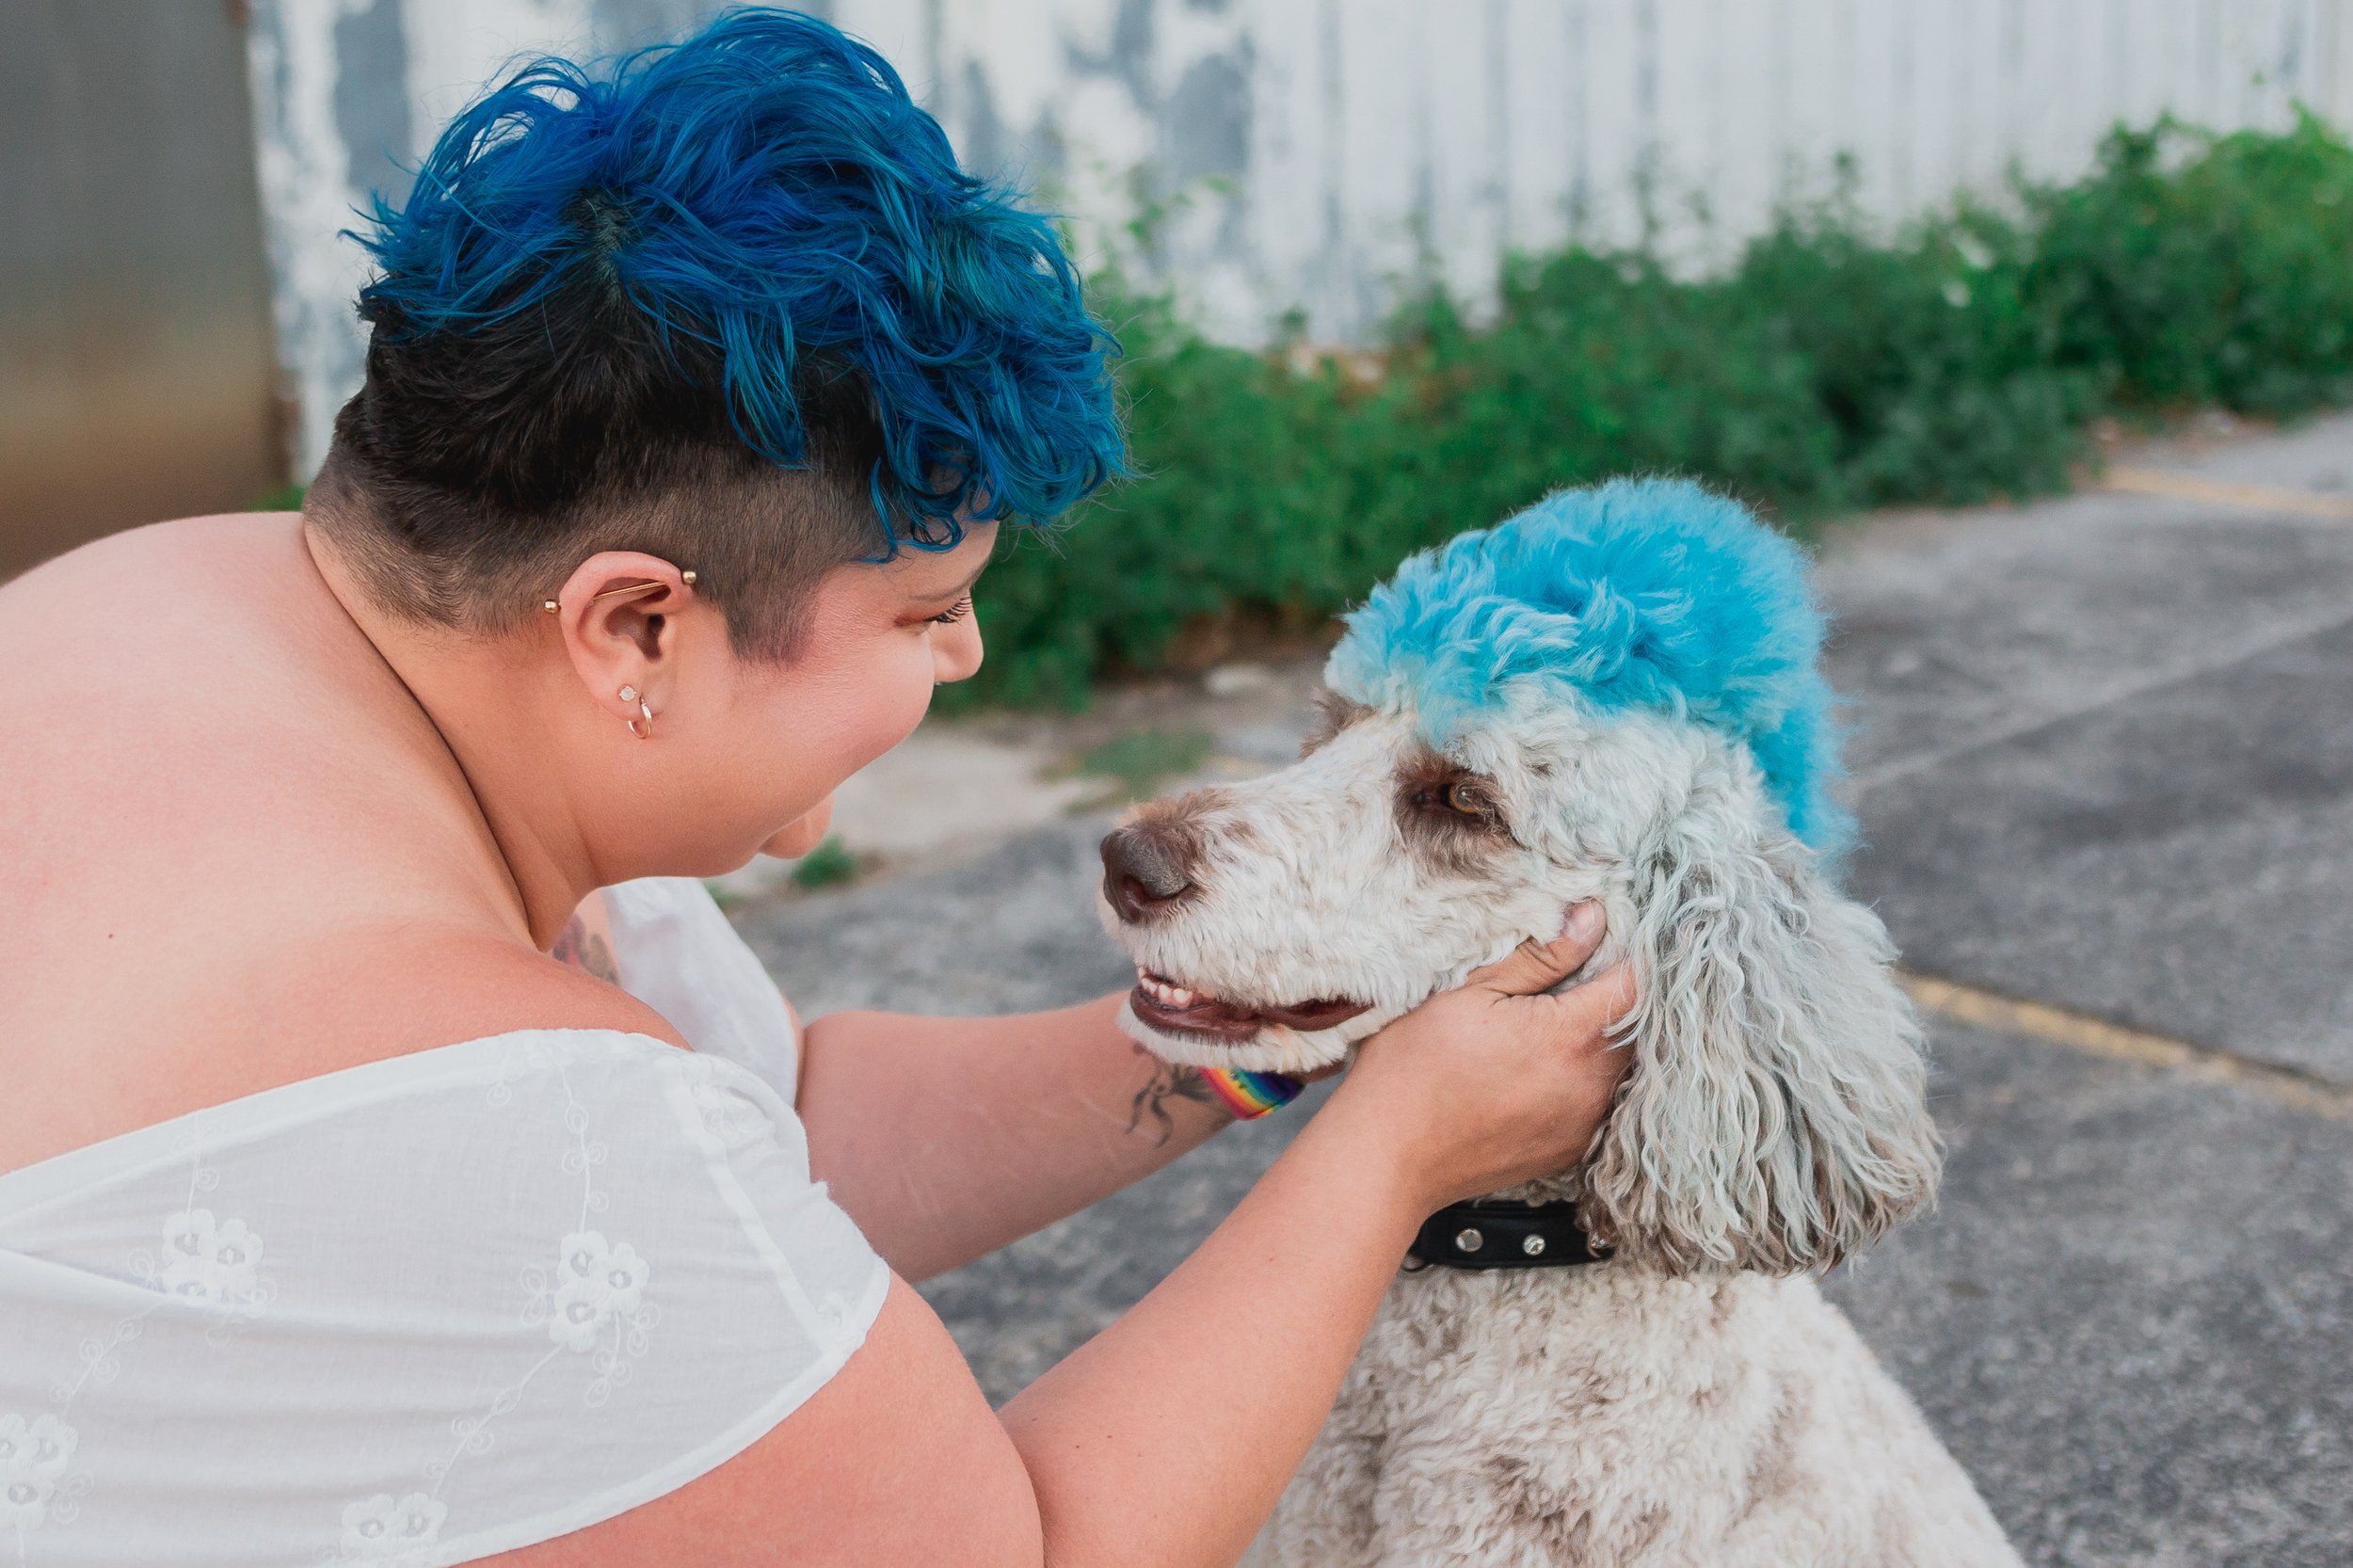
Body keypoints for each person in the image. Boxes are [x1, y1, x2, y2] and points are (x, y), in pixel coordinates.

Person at [0, 11, 1632, 1565]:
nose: (971, 655)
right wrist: (1394, 1152)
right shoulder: (524, 1120)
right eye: (925, 612)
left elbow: (785, 1129)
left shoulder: (199, 602)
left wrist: (1268, 1034)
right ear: (637, 624)